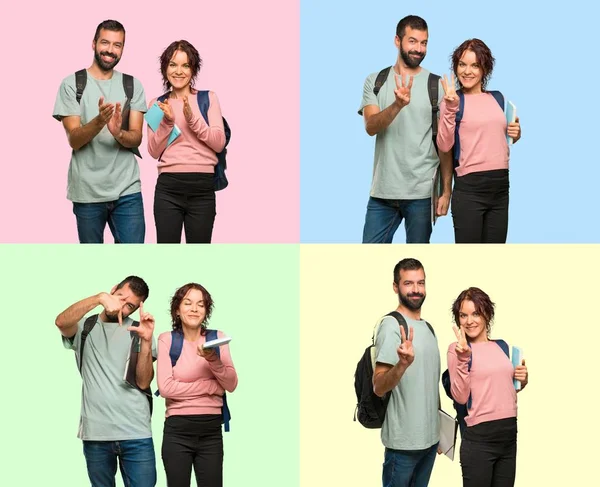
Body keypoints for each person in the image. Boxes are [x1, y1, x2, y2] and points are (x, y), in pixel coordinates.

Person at [358, 15, 453, 244]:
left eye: (424, 42)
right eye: (412, 41)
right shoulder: (376, 81)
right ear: (397, 41)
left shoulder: (437, 86)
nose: (419, 49)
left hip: (421, 194)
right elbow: (371, 127)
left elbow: (445, 144)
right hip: (382, 193)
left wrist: (447, 191)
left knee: (416, 262)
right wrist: (397, 105)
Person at [55, 276, 157, 487]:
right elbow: (61, 322)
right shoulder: (86, 325)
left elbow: (144, 382)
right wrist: (99, 298)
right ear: (113, 290)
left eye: (130, 305)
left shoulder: (140, 330)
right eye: (120, 297)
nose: (122, 307)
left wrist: (146, 342)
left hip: (136, 433)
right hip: (96, 433)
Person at [52, 20, 148, 244]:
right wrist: (99, 121)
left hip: (128, 190)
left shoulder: (132, 84)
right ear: (94, 44)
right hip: (87, 192)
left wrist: (118, 133)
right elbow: (74, 140)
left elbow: (137, 136)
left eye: (118, 45)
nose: (110, 50)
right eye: (105, 42)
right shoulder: (73, 84)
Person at [437, 39, 522, 243]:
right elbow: (444, 146)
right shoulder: (452, 100)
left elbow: (498, 138)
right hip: (470, 190)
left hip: (501, 188)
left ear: (485, 69)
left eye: (475, 65)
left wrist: (516, 133)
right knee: (470, 261)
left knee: (494, 260)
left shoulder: (498, 98)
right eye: (462, 64)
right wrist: (449, 108)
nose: (467, 71)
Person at [157, 283, 238, 487]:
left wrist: (213, 359)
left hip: (211, 434)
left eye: (200, 304)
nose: (194, 309)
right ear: (177, 309)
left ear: (206, 310)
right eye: (188, 303)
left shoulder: (217, 338)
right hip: (177, 433)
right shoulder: (167, 340)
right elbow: (166, 388)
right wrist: (211, 387)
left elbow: (231, 384)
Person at [447, 287, 528, 487]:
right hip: (479, 440)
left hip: (509, 436)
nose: (469, 321)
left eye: (475, 313)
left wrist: (522, 381)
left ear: (487, 314)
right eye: (463, 315)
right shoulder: (456, 350)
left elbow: (499, 390)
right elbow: (460, 396)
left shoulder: (501, 346)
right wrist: (463, 358)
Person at [147, 40, 226, 244]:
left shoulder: (208, 98)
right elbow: (154, 151)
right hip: (168, 189)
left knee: (199, 256)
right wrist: (168, 122)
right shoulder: (157, 104)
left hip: (202, 190)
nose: (178, 71)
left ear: (193, 69)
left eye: (185, 65)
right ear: (165, 68)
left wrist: (192, 119)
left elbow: (218, 143)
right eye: (173, 64)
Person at [373, 258, 440, 487]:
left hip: (430, 442)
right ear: (395, 287)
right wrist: (401, 364)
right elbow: (379, 386)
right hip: (402, 446)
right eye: (408, 283)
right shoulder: (391, 325)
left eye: (420, 283)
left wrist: (439, 433)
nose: (416, 289)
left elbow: (429, 385)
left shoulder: (429, 328)